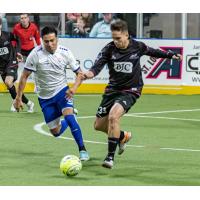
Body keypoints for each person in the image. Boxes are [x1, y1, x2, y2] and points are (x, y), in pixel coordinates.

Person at [67, 19, 182, 168]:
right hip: (112, 90)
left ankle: (110, 157)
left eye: (118, 38)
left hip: (131, 90)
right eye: (113, 38)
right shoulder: (108, 49)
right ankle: (122, 136)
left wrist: (170, 55)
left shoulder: (137, 46)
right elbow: (95, 69)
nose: (115, 41)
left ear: (126, 35)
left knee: (114, 116)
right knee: (98, 125)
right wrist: (87, 75)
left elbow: (153, 51)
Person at [14, 26, 89, 161]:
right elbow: (24, 76)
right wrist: (18, 98)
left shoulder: (65, 52)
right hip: (44, 97)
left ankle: (83, 150)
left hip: (62, 92)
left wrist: (74, 88)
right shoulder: (35, 54)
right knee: (55, 132)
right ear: (42, 40)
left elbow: (79, 73)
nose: (50, 44)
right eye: (46, 41)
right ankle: (70, 117)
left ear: (57, 39)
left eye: (52, 40)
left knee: (69, 118)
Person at [0, 17, 34, 113]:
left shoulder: (7, 35)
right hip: (1, 66)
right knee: (11, 86)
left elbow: (18, 39)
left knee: (8, 82)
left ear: (1, 26)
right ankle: (29, 103)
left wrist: (18, 52)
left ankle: (15, 102)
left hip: (12, 61)